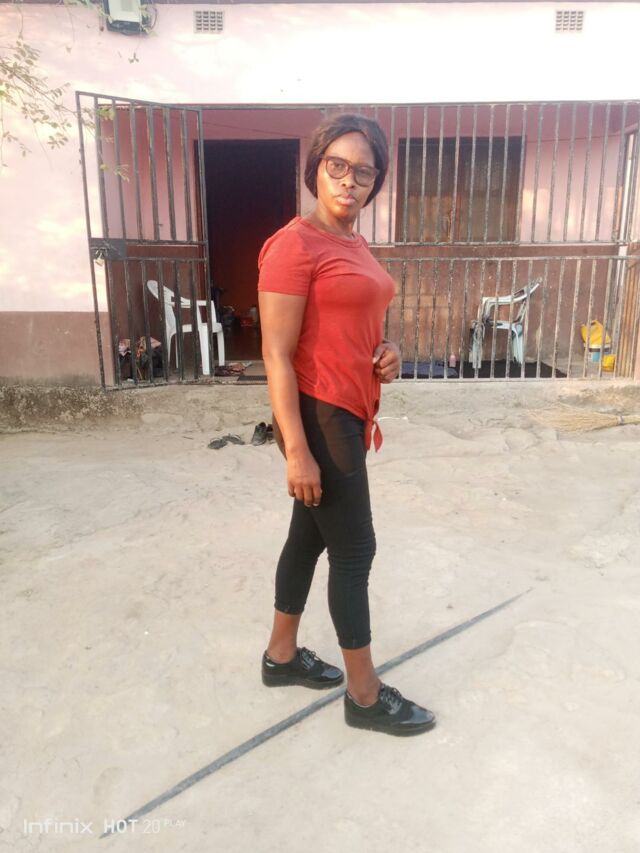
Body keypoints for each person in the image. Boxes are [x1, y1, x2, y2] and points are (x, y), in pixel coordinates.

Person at [257, 114, 436, 736]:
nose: (349, 180)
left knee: (308, 539)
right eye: (337, 165)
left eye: (364, 171)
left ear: (376, 181)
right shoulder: (294, 245)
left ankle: (281, 657)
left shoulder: (352, 244)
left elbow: (355, 319)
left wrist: (387, 351)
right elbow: (276, 355)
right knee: (355, 550)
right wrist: (296, 451)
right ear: (315, 168)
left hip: (350, 409)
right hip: (319, 415)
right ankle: (364, 696)